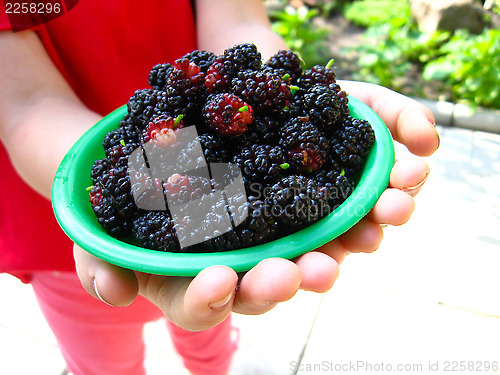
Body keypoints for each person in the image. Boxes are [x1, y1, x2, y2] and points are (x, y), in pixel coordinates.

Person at [0, 0, 440, 374]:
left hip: (210, 210)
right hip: (58, 243)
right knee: (103, 356)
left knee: (209, 328)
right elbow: (30, 106)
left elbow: (240, 23)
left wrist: (289, 93)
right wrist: (147, 181)